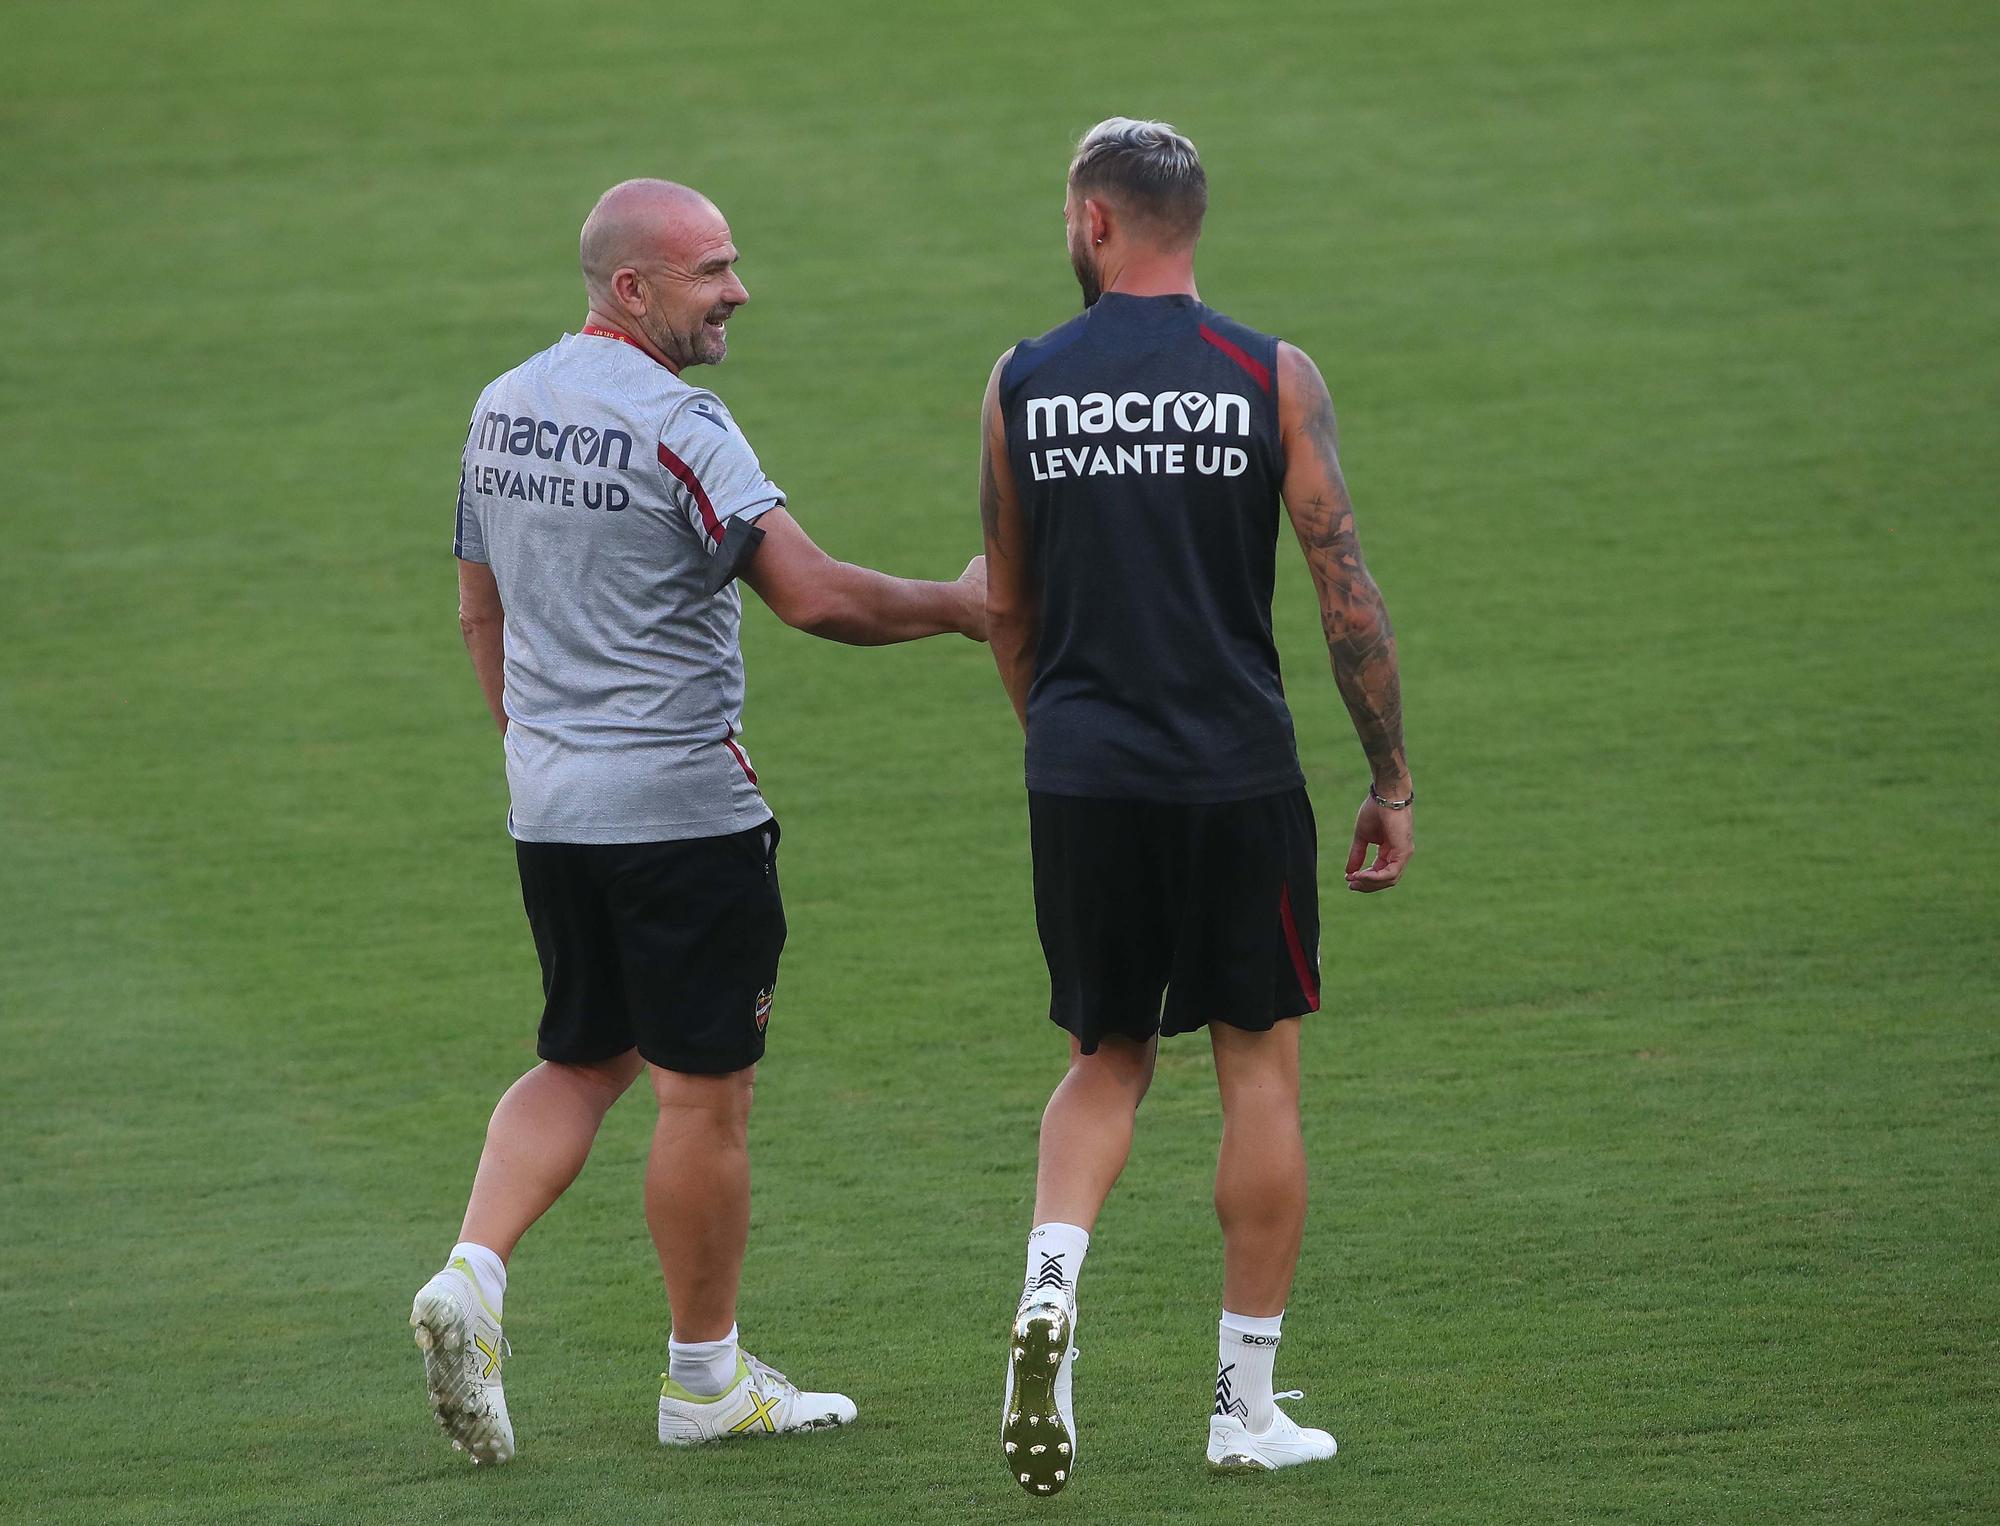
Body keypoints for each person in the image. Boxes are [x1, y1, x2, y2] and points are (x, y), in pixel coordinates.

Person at [412, 178, 986, 1465]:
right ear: (633, 289)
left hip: (551, 810)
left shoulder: (500, 405)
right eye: (712, 270)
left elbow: (477, 609)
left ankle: (472, 1272)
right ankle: (703, 1379)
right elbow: (816, 597)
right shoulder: (684, 424)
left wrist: (539, 751)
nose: (738, 290)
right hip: (680, 811)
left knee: (581, 1055)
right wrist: (964, 605)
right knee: (700, 1093)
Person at [979, 119, 1414, 1492]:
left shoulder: (1023, 381)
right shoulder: (1268, 376)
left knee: (1105, 1054)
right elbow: (1346, 589)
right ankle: (1243, 1405)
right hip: (1234, 772)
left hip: (1083, 770)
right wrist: (1389, 775)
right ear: (1191, 225)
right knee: (1258, 1063)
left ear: (1094, 224)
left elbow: (1008, 603)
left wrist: (1055, 740)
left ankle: (1051, 1291)